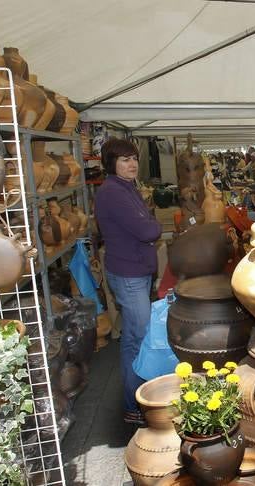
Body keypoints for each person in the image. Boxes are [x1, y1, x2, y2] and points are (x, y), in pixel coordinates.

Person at [95, 138, 162, 426]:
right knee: (138, 339)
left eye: (134, 158)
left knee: (134, 337)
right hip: (129, 274)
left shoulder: (126, 188)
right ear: (112, 163)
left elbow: (145, 224)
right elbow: (147, 229)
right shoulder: (112, 191)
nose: (132, 164)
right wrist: (153, 225)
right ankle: (134, 405)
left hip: (134, 271)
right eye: (124, 159)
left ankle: (135, 400)